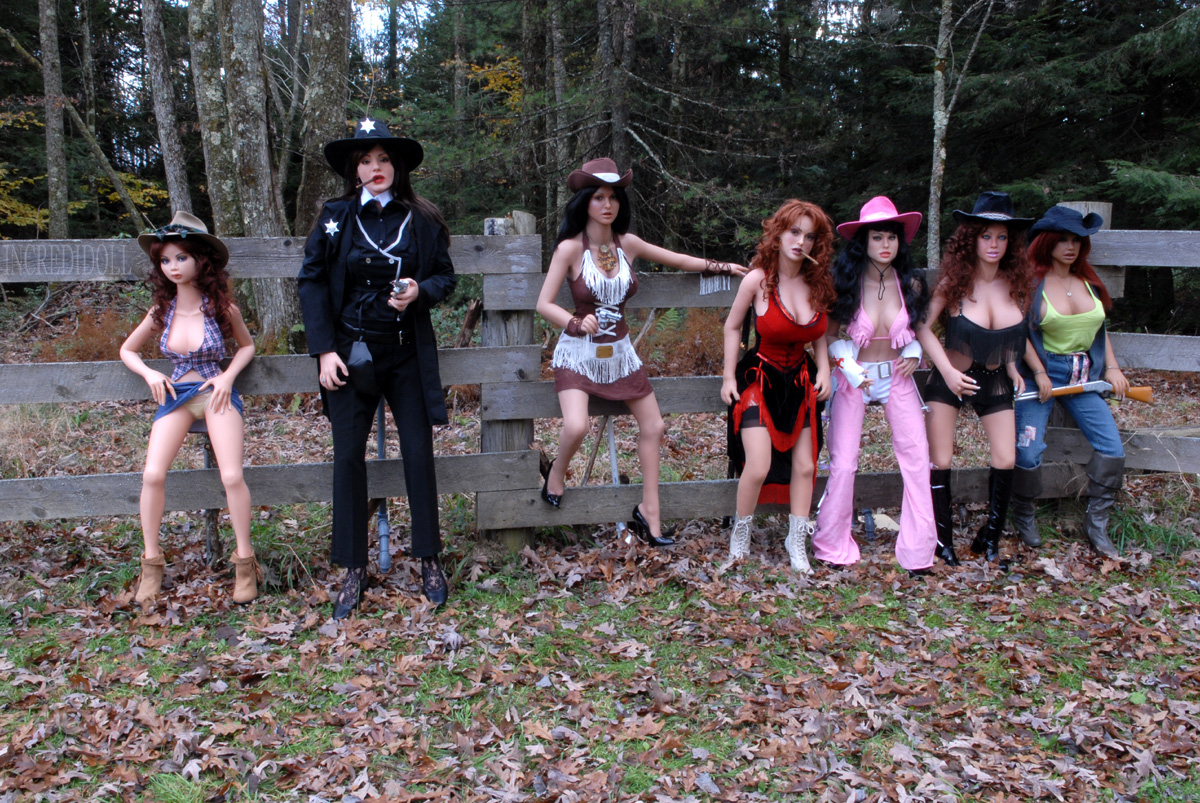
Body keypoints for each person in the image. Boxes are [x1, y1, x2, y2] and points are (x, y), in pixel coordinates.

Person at [536, 158, 744, 546]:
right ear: (584, 201)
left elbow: (677, 259)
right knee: (577, 426)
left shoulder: (627, 244)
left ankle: (650, 511)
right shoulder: (569, 249)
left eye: (613, 197)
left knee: (655, 426)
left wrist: (722, 266)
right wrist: (575, 322)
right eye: (598, 197)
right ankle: (556, 473)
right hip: (579, 354)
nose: (607, 205)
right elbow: (544, 303)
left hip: (620, 355)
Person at [298, 116, 457, 617]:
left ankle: (428, 557)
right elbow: (312, 280)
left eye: (383, 158)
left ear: (398, 166)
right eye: (365, 160)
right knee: (348, 456)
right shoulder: (336, 216)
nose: (375, 167)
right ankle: (353, 567)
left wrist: (419, 290)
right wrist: (324, 350)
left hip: (406, 352)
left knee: (418, 452)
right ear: (354, 169)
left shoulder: (423, 218)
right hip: (349, 354)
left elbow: (445, 278)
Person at [120, 212, 257, 607]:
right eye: (165, 260)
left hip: (215, 393)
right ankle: (151, 563)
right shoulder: (160, 312)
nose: (173, 267)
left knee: (231, 475)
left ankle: (245, 562)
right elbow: (127, 350)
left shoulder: (221, 308)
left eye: (181, 257)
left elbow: (247, 346)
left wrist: (228, 377)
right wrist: (149, 373)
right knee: (152, 474)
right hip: (176, 394)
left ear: (201, 260)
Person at [812, 197, 936, 575]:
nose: (885, 245)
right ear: (863, 241)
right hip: (855, 379)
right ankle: (831, 544)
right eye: (877, 237)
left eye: (892, 237)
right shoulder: (846, 283)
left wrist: (913, 349)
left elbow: (918, 327)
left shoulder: (910, 283)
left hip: (897, 376)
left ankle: (919, 550)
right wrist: (848, 368)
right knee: (844, 462)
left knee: (917, 457)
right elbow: (827, 336)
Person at [915, 191, 1035, 569]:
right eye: (986, 236)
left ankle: (991, 536)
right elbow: (922, 326)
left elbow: (1011, 334)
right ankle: (943, 540)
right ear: (972, 239)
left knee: (1006, 458)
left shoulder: (1015, 284)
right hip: (951, 376)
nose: (994, 244)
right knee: (941, 459)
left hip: (995, 378)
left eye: (1002, 237)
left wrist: (1012, 367)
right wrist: (948, 372)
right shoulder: (955, 282)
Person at [721, 200, 834, 571]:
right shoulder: (758, 279)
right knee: (757, 465)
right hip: (760, 377)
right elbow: (732, 327)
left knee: (805, 466)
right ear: (778, 234)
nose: (801, 242)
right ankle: (740, 538)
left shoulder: (816, 283)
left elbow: (818, 332)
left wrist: (824, 369)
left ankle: (796, 541)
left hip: (801, 381)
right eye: (794, 232)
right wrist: (728, 375)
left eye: (809, 236)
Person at [1014, 205, 1128, 558]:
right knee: (1028, 450)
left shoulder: (1089, 283)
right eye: (1062, 239)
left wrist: (1112, 367)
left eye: (1076, 240)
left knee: (1112, 448)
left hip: (1083, 377)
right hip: (1039, 377)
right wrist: (1039, 372)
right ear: (1046, 242)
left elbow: (1099, 329)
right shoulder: (1031, 285)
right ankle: (1024, 515)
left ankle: (1097, 524)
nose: (1070, 247)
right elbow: (1019, 333)